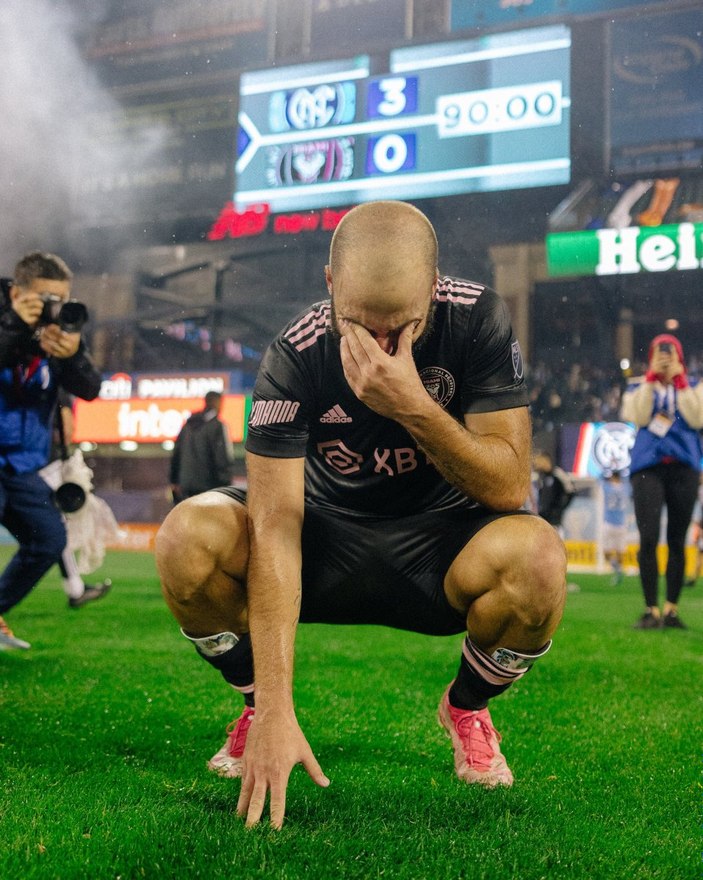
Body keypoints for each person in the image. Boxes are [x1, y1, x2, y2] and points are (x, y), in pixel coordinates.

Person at [156, 200, 567, 829]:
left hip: (442, 545)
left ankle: (466, 707)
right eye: (358, 324)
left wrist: (414, 408)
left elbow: (510, 486)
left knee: (538, 559)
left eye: (400, 326)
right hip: (323, 538)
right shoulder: (296, 353)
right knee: (186, 536)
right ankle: (253, 706)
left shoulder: (476, 315)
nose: (379, 349)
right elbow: (275, 525)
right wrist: (274, 703)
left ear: (433, 290)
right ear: (330, 284)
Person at [0, 251, 101, 649]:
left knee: (48, 537)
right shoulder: (7, 320)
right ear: (16, 292)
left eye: (60, 298)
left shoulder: (59, 332)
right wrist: (13, 327)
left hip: (23, 464)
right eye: (44, 298)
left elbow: (91, 388)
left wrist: (72, 355)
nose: (52, 308)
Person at [621, 334, 703, 629]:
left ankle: (671, 609)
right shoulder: (639, 386)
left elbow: (697, 418)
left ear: (680, 356)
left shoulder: (694, 386)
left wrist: (680, 383)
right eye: (660, 352)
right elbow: (637, 415)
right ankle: (650, 609)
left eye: (670, 353)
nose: (666, 357)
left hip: (684, 468)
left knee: (677, 540)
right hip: (648, 468)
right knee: (649, 537)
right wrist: (651, 378)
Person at [53, 395, 112, 609]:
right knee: (52, 531)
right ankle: (76, 590)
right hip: (28, 467)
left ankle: (76, 589)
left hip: (27, 464)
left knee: (53, 532)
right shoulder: (53, 387)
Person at [169, 391, 234, 502]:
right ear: (217, 403)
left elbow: (176, 454)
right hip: (210, 486)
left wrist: (174, 480)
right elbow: (222, 458)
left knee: (190, 517)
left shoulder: (187, 425)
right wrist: (226, 484)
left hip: (186, 485)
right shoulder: (218, 426)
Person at [533, 451, 575, 538]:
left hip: (555, 521)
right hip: (543, 518)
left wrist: (560, 508)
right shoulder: (541, 476)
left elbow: (571, 491)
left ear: (546, 460)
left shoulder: (558, 473)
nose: (536, 463)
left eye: (539, 461)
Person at [600, 470, 631, 585]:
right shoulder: (626, 488)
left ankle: (617, 571)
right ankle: (619, 572)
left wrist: (607, 467)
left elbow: (600, 477)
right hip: (622, 525)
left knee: (606, 554)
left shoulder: (607, 487)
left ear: (612, 476)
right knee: (620, 552)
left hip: (609, 523)